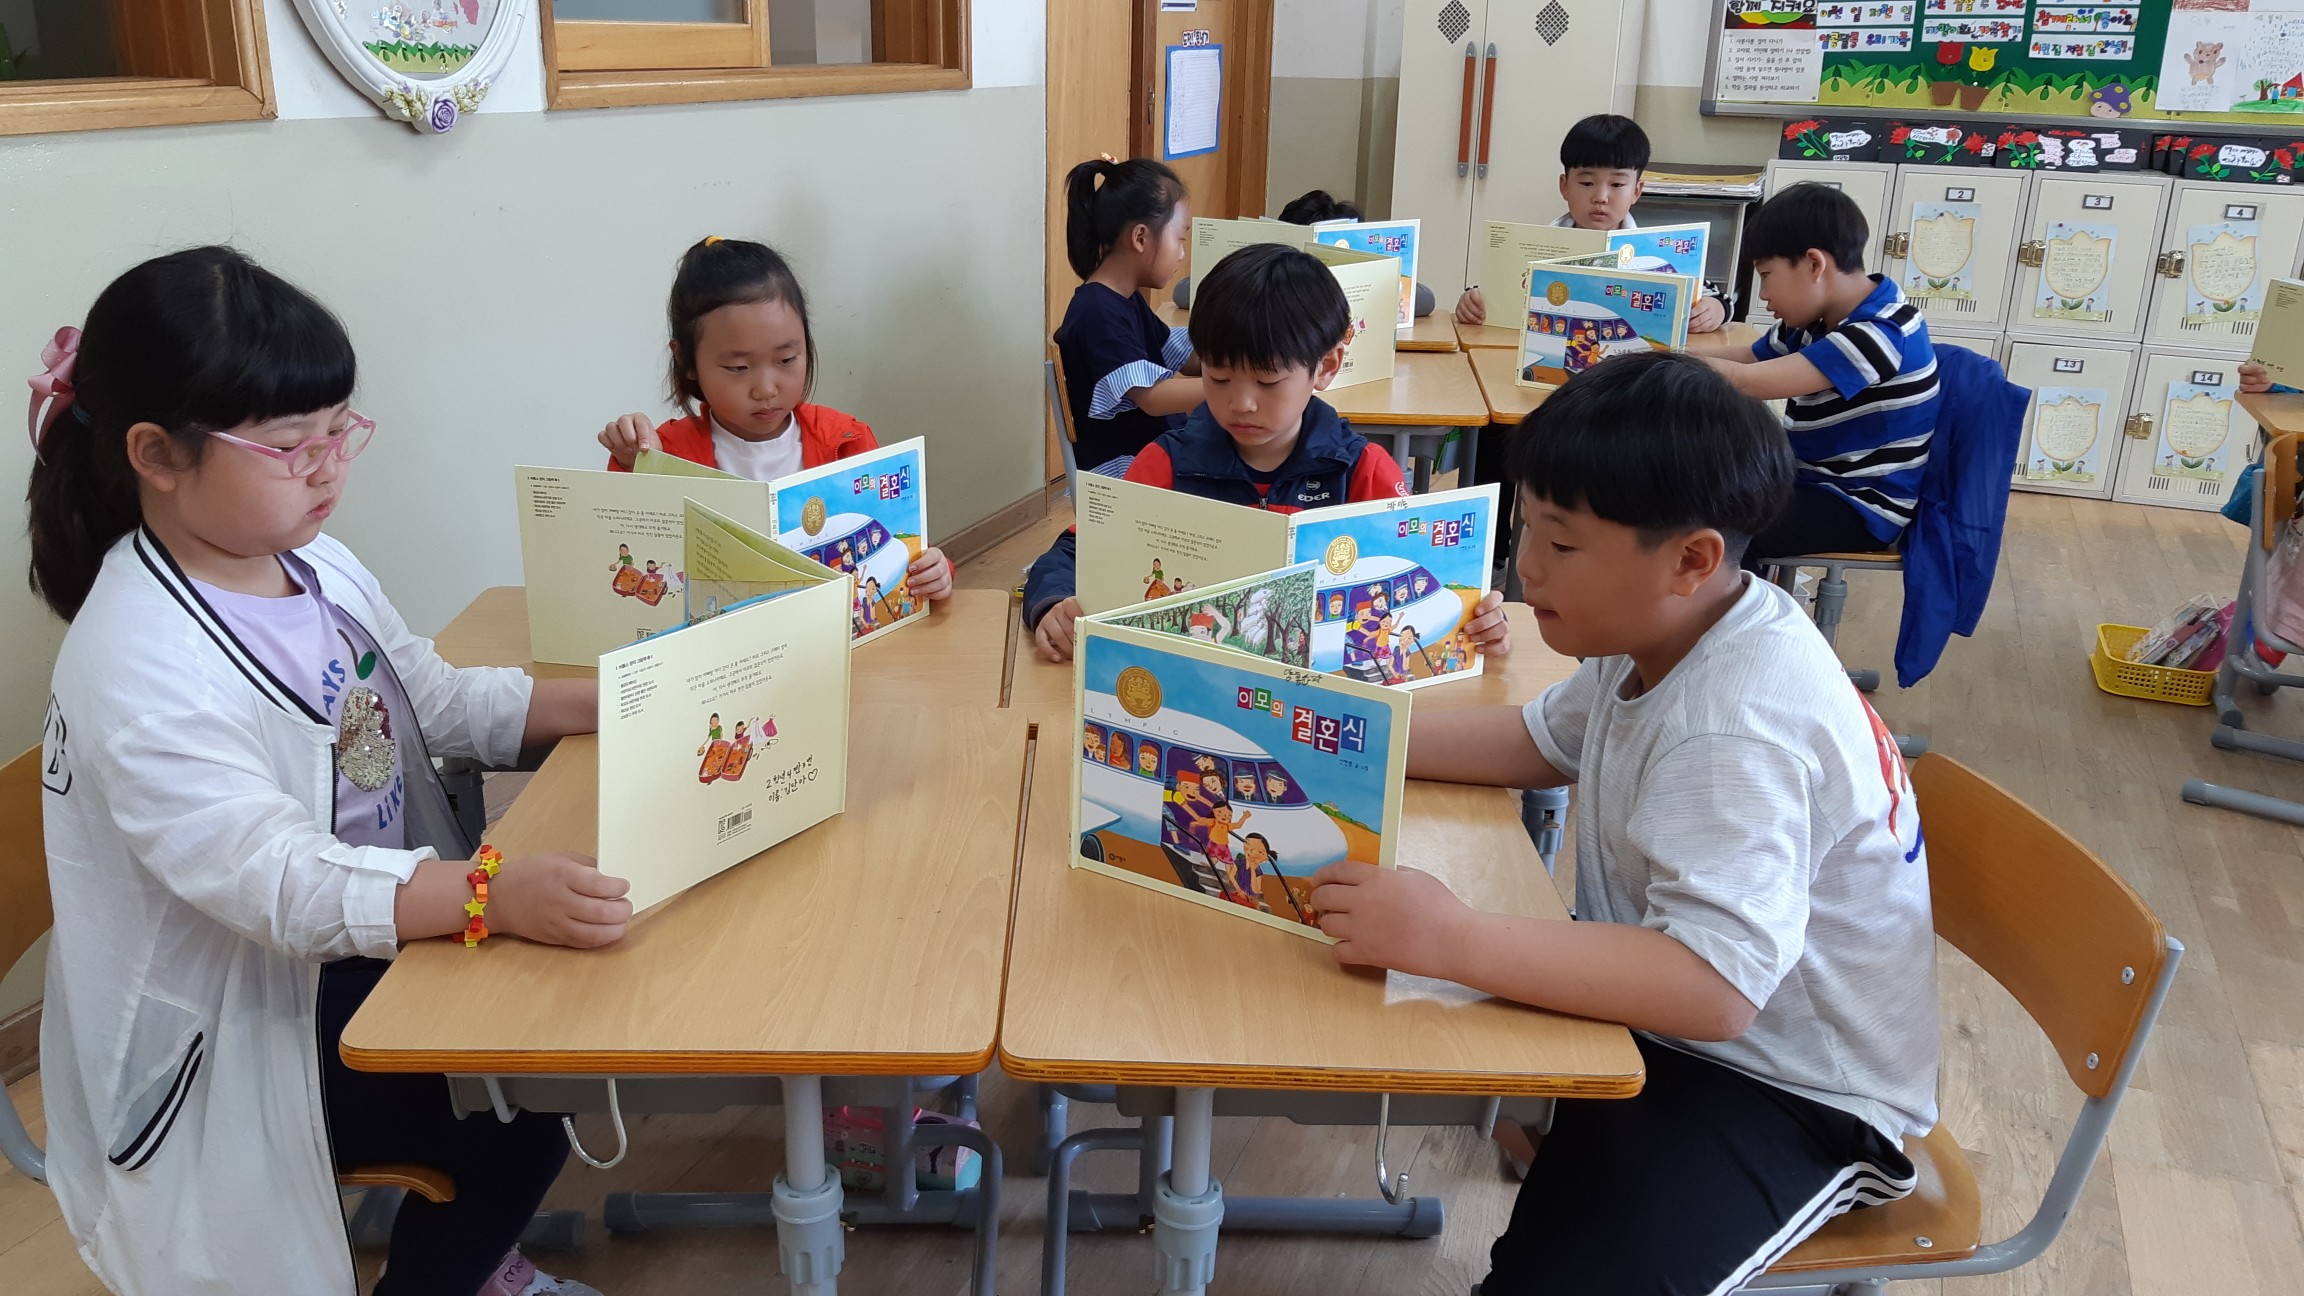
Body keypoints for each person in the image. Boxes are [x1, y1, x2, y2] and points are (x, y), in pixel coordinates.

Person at [27, 247, 631, 1296]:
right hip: (241, 1025)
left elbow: (433, 698)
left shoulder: (309, 562)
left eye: (339, 432)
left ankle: (477, 1260)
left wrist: (625, 696)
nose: (327, 468)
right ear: (156, 455)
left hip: (347, 950)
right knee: (526, 1100)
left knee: (537, 1040)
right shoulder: (138, 659)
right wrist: (489, 893)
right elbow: (279, 883)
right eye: (288, 446)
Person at [1308, 352, 1937, 1295]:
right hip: (1669, 1014)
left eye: (1562, 545)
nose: (1525, 564)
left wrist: (1452, 937)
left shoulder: (1734, 725)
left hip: (1786, 1086)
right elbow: (1536, 739)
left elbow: (1716, 988)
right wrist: (1352, 744)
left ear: (1691, 559)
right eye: (1527, 526)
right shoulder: (1671, 624)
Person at [1025, 243, 1515, 663]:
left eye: (1267, 381)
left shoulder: (1363, 472)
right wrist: (1053, 604)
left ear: (1326, 367)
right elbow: (1075, 551)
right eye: (1218, 377)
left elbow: (1431, 583)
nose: (1241, 402)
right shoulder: (1166, 464)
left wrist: (1481, 620)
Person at [595, 235, 951, 602]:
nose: (766, 389)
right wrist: (636, 462)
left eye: (786, 360)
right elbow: (639, 552)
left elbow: (900, 545)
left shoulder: (846, 440)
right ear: (686, 361)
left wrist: (934, 571)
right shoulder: (669, 450)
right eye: (738, 367)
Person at [1699, 183, 1940, 567]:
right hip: (1810, 480)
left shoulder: (1880, 332)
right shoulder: (1818, 319)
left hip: (1857, 504)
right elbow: (1749, 357)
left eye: (1766, 275)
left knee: (1720, 529)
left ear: (1814, 264)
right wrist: (1664, 353)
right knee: (1701, 489)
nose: (1763, 294)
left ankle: (1738, 602)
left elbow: (1750, 381)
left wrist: (1652, 365)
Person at [1453, 114, 1727, 335]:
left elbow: (1717, 297)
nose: (1601, 197)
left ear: (1636, 191)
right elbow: (1490, 288)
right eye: (1586, 183)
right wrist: (1471, 302)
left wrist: (1716, 310)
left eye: (1617, 184)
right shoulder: (1537, 245)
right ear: (1564, 186)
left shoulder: (1655, 250)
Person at [1054, 156, 1200, 473]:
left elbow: (1185, 358)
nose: (1181, 254)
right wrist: (1237, 389)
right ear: (1140, 238)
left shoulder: (1124, 298)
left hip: (1154, 450)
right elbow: (1153, 397)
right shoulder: (1096, 312)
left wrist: (1246, 356)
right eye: (1179, 239)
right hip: (1125, 467)